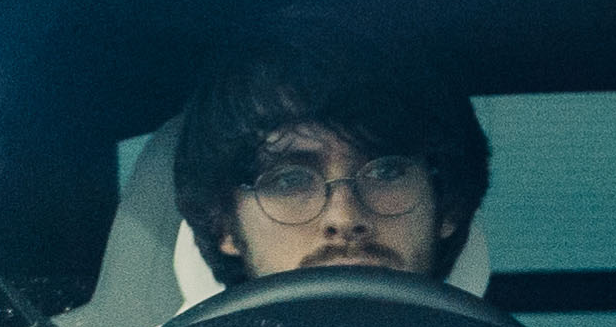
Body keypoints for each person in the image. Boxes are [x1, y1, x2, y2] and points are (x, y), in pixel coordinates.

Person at [170, 24, 493, 294]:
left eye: (386, 172)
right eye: (289, 180)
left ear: (447, 206)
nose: (344, 218)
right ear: (224, 224)